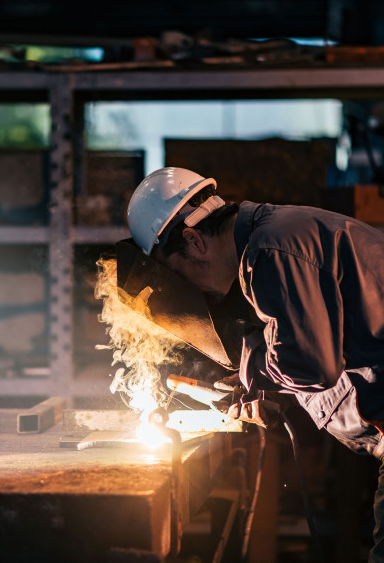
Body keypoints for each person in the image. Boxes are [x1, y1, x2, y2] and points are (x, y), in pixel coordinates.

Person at [126, 166, 384, 561]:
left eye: (180, 274)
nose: (193, 291)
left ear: (193, 241)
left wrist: (254, 378)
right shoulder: (274, 237)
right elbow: (319, 349)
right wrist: (266, 386)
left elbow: (310, 365)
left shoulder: (270, 251)